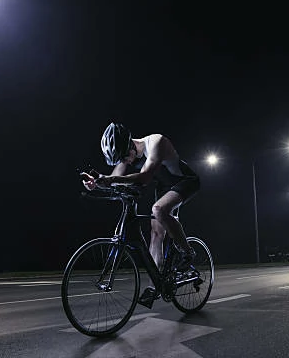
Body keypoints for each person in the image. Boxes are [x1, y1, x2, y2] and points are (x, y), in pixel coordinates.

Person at [81, 122, 200, 308]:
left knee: (158, 209)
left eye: (124, 158)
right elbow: (114, 180)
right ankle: (156, 285)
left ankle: (187, 252)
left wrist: (111, 180)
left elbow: (144, 177)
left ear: (130, 145)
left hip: (185, 181)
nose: (126, 163)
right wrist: (96, 182)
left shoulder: (156, 142)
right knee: (155, 235)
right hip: (164, 187)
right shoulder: (126, 154)